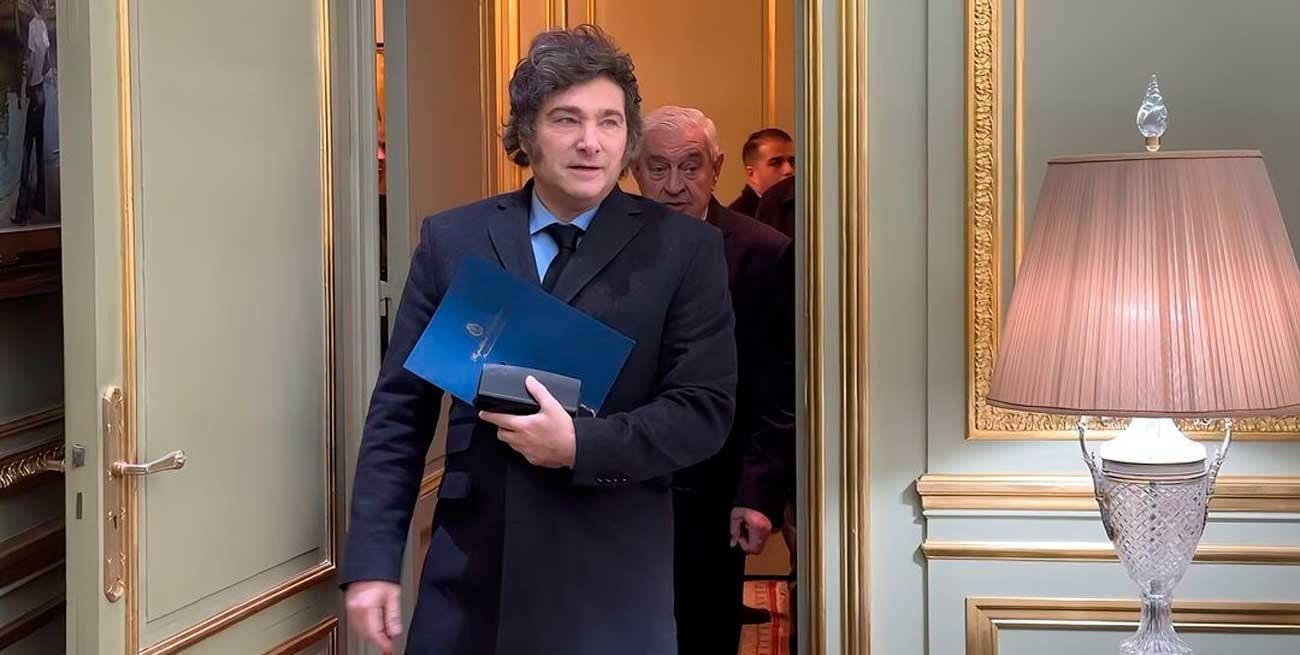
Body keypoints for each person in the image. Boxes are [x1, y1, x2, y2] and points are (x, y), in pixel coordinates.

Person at [340, 26, 738, 655]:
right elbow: (399, 411)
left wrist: (579, 444)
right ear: (526, 133)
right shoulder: (454, 240)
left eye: (609, 122)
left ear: (628, 138)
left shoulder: (685, 250)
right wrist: (372, 561)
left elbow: (703, 411)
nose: (590, 142)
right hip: (471, 576)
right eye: (566, 119)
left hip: (609, 578)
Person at [632, 106, 794, 655]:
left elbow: (776, 388)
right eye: (658, 168)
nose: (674, 185)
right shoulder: (604, 245)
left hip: (713, 492)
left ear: (717, 168)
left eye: (690, 166)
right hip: (618, 490)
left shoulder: (764, 252)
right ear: (634, 170)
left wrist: (757, 493)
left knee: (703, 636)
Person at [15, 0, 51, 225]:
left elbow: (29, 62)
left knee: (27, 151)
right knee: (39, 150)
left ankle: (22, 212)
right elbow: (46, 64)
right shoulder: (44, 26)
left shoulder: (32, 27)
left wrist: (23, 87)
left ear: (31, 5)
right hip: (42, 95)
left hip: (33, 93)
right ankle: (40, 202)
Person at [727, 128, 795, 218]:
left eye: (792, 162)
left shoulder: (799, 205)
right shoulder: (735, 218)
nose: (789, 170)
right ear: (751, 174)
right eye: (776, 163)